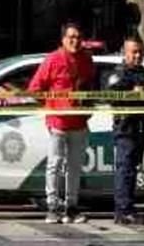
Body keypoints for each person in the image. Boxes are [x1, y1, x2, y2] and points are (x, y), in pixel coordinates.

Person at [28, 22, 96, 224]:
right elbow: (34, 89)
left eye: (78, 37)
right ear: (63, 39)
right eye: (71, 37)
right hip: (58, 121)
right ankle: (52, 207)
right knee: (55, 164)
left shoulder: (86, 59)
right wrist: (51, 105)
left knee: (75, 167)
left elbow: (91, 85)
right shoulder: (53, 59)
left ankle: (72, 207)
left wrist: (88, 106)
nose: (75, 41)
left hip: (79, 121)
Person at [106, 36, 144, 225]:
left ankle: (129, 208)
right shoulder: (119, 74)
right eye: (133, 52)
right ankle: (122, 211)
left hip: (141, 127)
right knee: (125, 170)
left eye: (140, 52)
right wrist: (132, 93)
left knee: (132, 170)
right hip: (126, 128)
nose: (137, 56)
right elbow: (112, 95)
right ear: (124, 53)